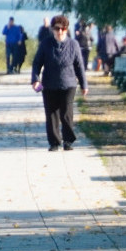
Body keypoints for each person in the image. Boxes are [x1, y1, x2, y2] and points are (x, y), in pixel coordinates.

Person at [30, 14, 87, 151]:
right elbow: (37, 63)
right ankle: (54, 142)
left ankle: (68, 140)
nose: (60, 32)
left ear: (66, 29)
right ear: (52, 29)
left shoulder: (73, 44)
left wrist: (84, 85)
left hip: (69, 84)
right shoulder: (46, 44)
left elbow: (79, 65)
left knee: (66, 113)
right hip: (49, 84)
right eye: (57, 29)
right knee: (51, 114)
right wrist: (35, 80)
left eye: (63, 29)